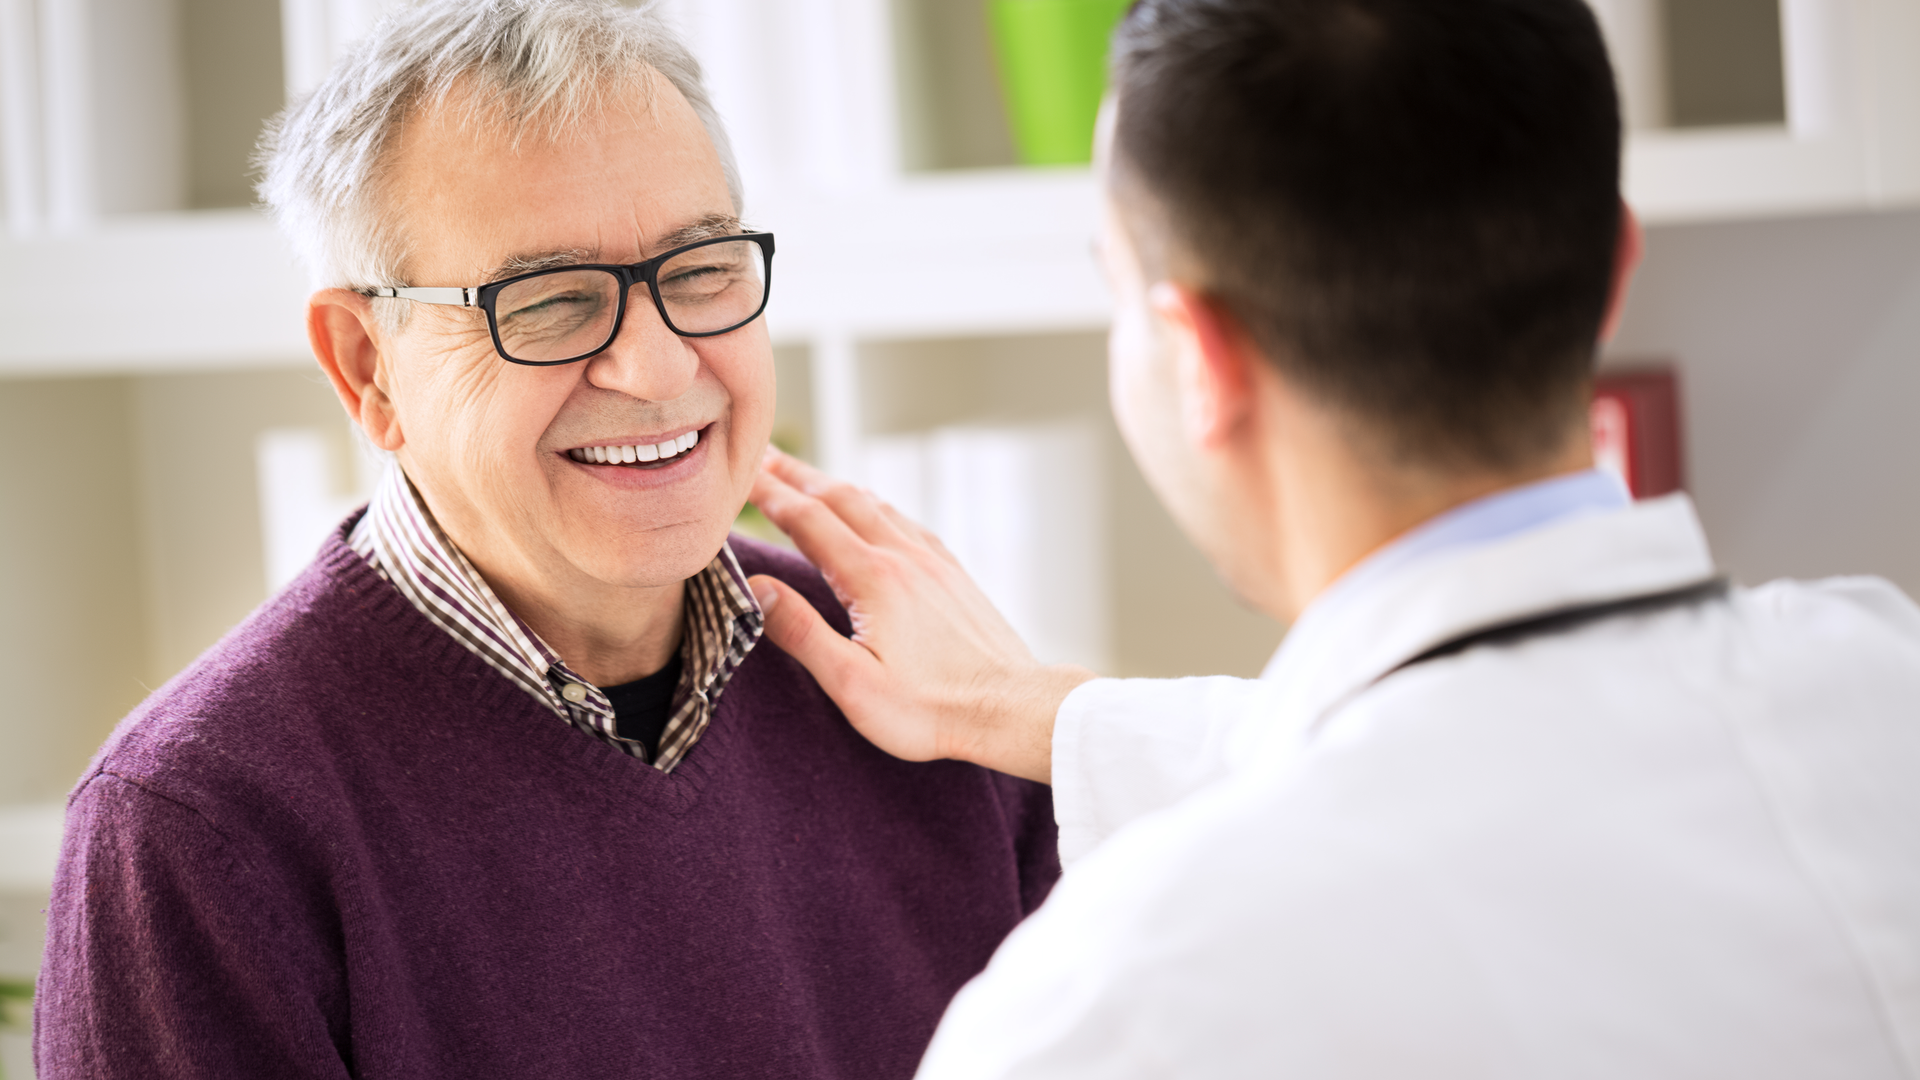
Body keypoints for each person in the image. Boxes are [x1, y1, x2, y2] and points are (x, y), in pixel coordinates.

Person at [746, 0, 1920, 1075]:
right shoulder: (1879, 677)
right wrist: (1049, 714)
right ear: (1616, 269)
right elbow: (1499, 756)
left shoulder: (1114, 1013)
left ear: (1198, 358)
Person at [34, 2, 1057, 1076]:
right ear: (368, 368)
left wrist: (1034, 725)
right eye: (551, 300)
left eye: (700, 269)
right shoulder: (196, 828)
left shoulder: (925, 687)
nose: (658, 369)